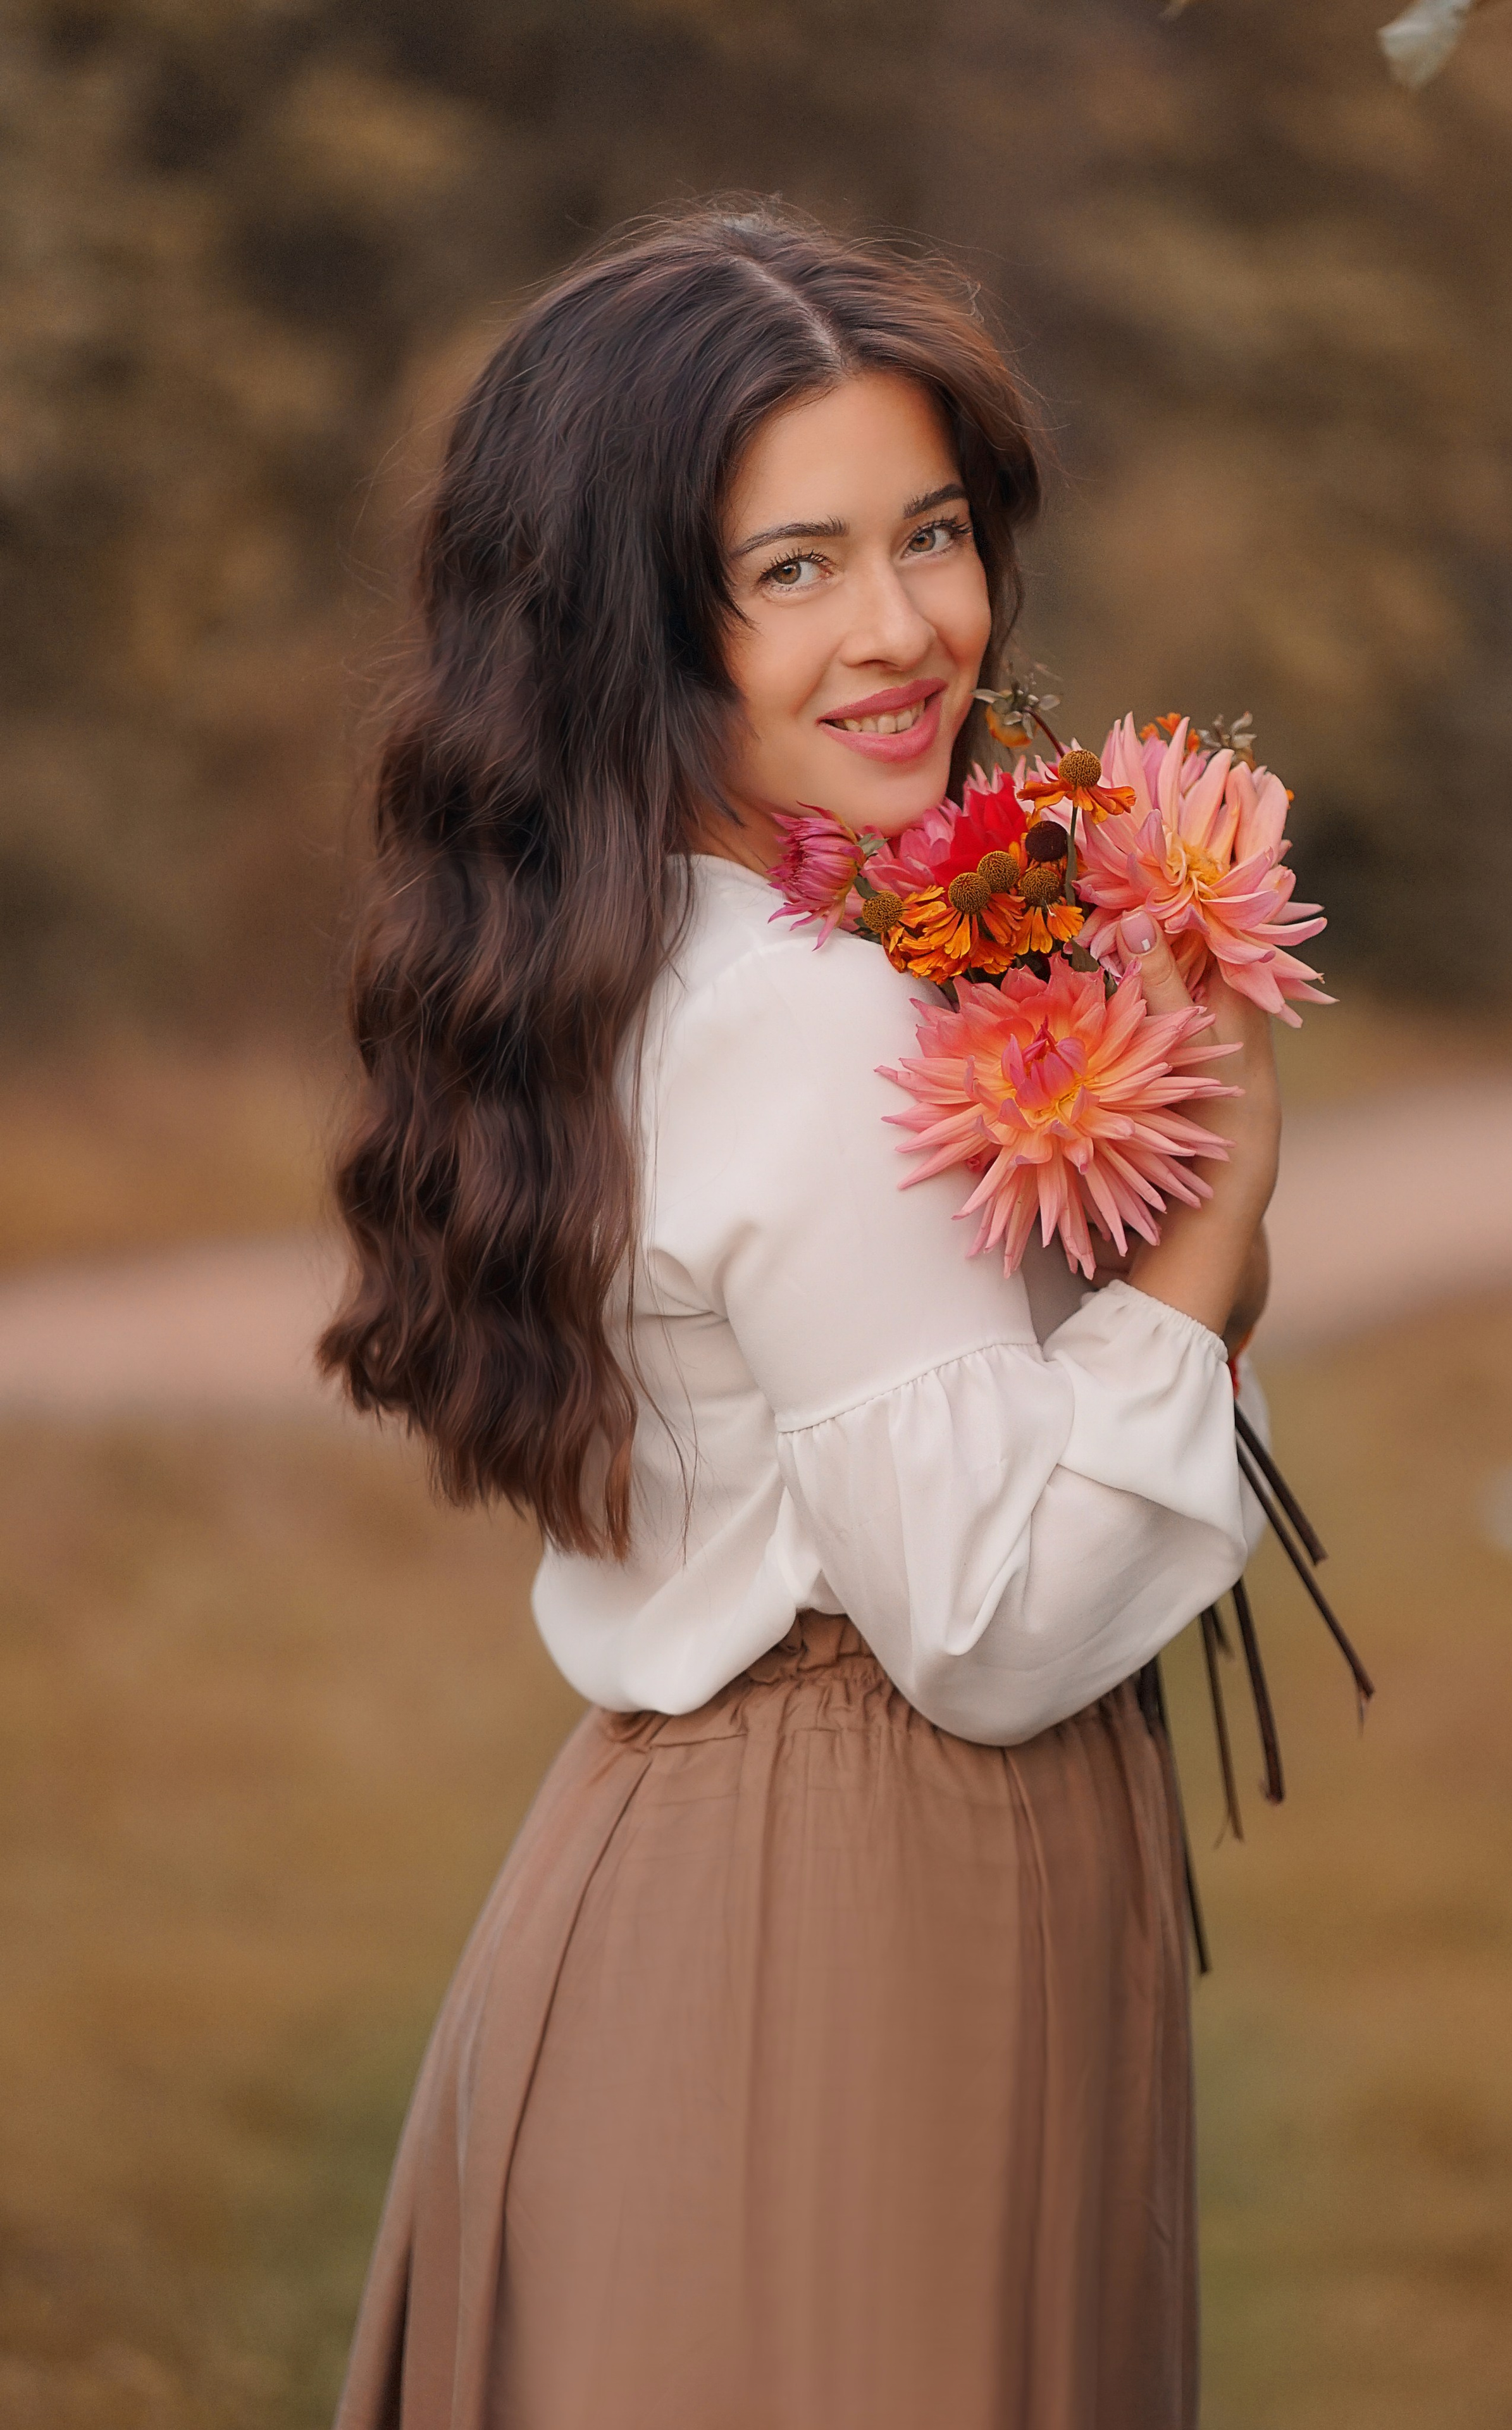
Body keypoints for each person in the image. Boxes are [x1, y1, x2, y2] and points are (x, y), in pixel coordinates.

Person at [319, 201, 1277, 2430]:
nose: (905, 632)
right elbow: (996, 1619)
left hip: (729, 1876)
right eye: (795, 569)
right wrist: (1211, 1231)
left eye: (929, 535)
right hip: (840, 1931)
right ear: (636, 631)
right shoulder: (804, 1013)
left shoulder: (635, 953)